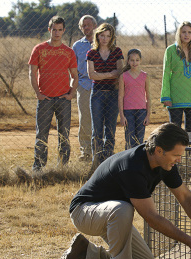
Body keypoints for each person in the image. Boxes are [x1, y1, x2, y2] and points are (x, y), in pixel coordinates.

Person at [56, 123, 191, 259]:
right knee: (123, 208)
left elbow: (186, 197)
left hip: (114, 216)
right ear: (159, 150)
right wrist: (189, 241)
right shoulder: (132, 167)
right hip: (84, 212)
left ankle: (86, 253)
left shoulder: (165, 164)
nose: (179, 160)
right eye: (176, 155)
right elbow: (151, 217)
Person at [28, 16, 78, 171]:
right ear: (49, 30)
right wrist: (38, 93)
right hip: (45, 98)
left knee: (64, 135)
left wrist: (71, 93)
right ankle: (38, 168)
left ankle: (62, 168)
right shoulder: (39, 49)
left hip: (63, 99)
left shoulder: (68, 52)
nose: (57, 33)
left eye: (60, 30)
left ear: (63, 31)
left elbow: (75, 76)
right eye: (54, 29)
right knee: (41, 134)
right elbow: (32, 72)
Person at [160, 21, 191, 133]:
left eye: (189, 32)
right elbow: (166, 74)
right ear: (179, 34)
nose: (186, 35)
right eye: (183, 32)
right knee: (175, 132)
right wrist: (166, 96)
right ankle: (176, 152)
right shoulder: (170, 50)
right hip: (175, 97)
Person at [87, 23, 124, 164]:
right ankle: (96, 161)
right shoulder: (91, 53)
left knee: (110, 129)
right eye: (102, 35)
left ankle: (108, 161)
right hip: (97, 94)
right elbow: (91, 75)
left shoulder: (117, 52)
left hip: (113, 94)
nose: (105, 39)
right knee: (97, 130)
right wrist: (110, 74)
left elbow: (120, 72)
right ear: (97, 36)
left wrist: (101, 74)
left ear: (112, 37)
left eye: (108, 36)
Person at [72, 15, 97, 162]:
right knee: (85, 119)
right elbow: (73, 68)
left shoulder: (101, 42)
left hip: (100, 84)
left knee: (101, 118)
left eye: (88, 25)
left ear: (94, 25)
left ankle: (101, 149)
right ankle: (86, 151)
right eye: (83, 25)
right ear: (81, 28)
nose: (86, 27)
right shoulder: (77, 46)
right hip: (84, 85)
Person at [118, 49, 151, 149]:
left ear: (140, 60)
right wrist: (122, 116)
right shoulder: (123, 76)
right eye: (132, 60)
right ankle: (128, 161)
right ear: (128, 61)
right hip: (128, 112)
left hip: (142, 111)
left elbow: (148, 97)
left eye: (137, 60)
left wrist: (148, 115)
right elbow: (120, 96)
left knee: (139, 140)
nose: (134, 62)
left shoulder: (145, 76)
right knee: (129, 139)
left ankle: (138, 161)